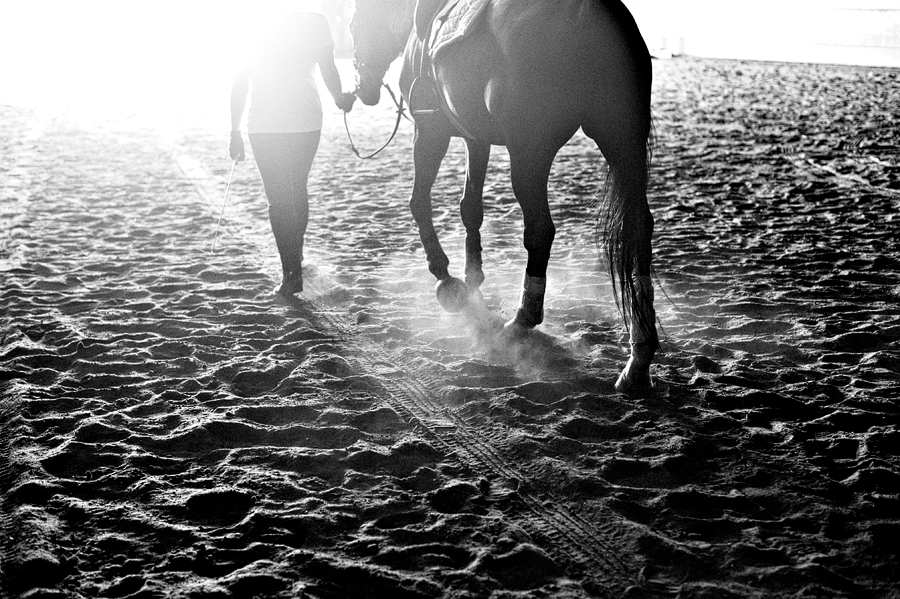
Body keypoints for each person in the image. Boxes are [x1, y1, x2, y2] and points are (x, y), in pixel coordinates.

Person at [229, 9, 356, 295]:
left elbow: (240, 81)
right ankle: (295, 260)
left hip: (265, 123)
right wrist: (338, 98)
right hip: (306, 120)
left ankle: (291, 274)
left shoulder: (251, 22)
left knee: (279, 201)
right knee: (297, 189)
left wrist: (234, 132)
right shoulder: (315, 21)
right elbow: (328, 68)